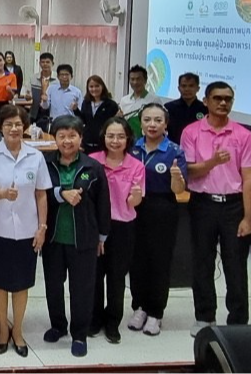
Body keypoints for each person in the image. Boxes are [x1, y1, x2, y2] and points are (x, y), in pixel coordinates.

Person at [181, 81, 251, 336]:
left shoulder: (243, 135)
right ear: (206, 101)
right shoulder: (192, 132)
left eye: (228, 99)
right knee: (202, 262)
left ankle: (237, 321)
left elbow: (248, 178)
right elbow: (189, 169)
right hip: (202, 203)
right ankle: (204, 317)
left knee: (235, 265)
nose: (223, 103)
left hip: (233, 206)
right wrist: (212, 162)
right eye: (217, 98)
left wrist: (249, 217)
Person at [0, 105, 50, 358]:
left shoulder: (35, 156)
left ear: (25, 126)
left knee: (21, 285)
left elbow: (41, 194)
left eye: (18, 124)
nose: (14, 128)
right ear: (1, 127)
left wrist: (42, 228)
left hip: (27, 229)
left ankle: (17, 331)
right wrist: (3, 194)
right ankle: (2, 330)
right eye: (8, 124)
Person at [41, 115, 111, 358]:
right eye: (62, 135)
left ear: (81, 138)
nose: (67, 140)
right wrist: (61, 194)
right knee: (53, 285)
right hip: (52, 238)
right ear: (55, 137)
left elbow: (103, 204)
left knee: (82, 288)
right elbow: (39, 194)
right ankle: (58, 325)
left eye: (72, 136)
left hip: (84, 238)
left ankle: (79, 333)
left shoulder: (93, 167)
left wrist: (102, 236)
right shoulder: (45, 163)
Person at [127, 102, 187, 336]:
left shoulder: (175, 151)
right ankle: (139, 307)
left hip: (163, 207)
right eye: (148, 120)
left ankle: (155, 312)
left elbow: (179, 190)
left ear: (166, 123)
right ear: (140, 123)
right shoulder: (132, 148)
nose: (152, 125)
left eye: (158, 120)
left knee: (159, 260)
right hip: (134, 207)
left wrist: (175, 176)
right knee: (137, 259)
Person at [88, 117, 144, 343]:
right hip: (96, 226)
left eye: (120, 136)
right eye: (111, 136)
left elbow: (134, 202)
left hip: (123, 227)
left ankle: (113, 322)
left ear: (128, 138)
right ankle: (94, 319)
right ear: (103, 137)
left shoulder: (136, 166)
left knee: (116, 277)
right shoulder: (92, 162)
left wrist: (136, 198)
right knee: (94, 274)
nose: (115, 140)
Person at [77, 75, 120, 153]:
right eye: (91, 86)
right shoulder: (86, 103)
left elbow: (113, 123)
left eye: (97, 86)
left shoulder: (111, 104)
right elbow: (83, 121)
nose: (94, 89)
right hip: (87, 144)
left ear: (102, 87)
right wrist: (75, 110)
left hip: (103, 145)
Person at [165, 72, 207, 144]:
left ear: (198, 88)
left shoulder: (205, 109)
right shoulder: (169, 107)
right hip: (173, 148)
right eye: (184, 86)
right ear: (179, 88)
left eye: (191, 86)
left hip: (198, 148)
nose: (187, 89)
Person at [119, 65, 158, 137]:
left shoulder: (154, 100)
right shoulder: (124, 100)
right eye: (132, 79)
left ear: (145, 80)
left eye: (138, 79)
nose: (135, 82)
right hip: (126, 139)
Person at [26, 53, 54, 129]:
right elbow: (28, 94)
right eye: (43, 62)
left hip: (51, 111)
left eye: (48, 62)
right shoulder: (33, 78)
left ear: (53, 63)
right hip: (36, 111)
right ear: (39, 63)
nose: (45, 64)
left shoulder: (57, 80)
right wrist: (28, 97)